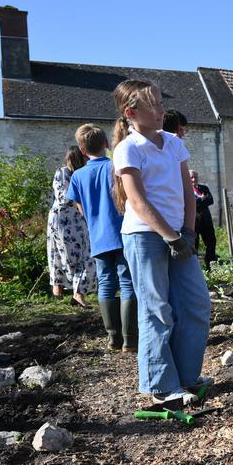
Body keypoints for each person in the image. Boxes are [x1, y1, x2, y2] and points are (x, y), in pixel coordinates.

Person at [112, 79, 212, 405]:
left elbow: (188, 192)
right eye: (153, 104)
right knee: (157, 309)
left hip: (178, 235)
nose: (161, 110)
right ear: (132, 112)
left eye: (160, 102)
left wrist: (187, 232)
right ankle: (161, 386)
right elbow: (137, 201)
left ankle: (185, 376)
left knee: (196, 303)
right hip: (144, 236)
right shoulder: (128, 148)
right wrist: (169, 236)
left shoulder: (173, 143)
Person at [68, 123, 138, 351]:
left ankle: (113, 338)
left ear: (81, 149)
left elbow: (80, 209)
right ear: (107, 144)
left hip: (98, 236)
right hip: (123, 231)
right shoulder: (115, 167)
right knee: (127, 281)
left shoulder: (77, 176)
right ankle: (130, 338)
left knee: (106, 283)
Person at [47, 147, 97, 306]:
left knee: (83, 255)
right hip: (66, 219)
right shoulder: (63, 173)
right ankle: (69, 291)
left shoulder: (77, 174)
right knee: (71, 255)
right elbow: (65, 197)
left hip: (73, 219)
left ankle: (75, 292)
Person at [189, 170, 218, 269]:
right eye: (192, 177)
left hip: (206, 222)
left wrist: (197, 202)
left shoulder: (204, 188)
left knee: (211, 243)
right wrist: (200, 199)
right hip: (194, 223)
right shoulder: (186, 190)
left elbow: (210, 200)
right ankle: (195, 268)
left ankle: (210, 266)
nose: (194, 179)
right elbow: (188, 204)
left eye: (195, 177)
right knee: (194, 246)